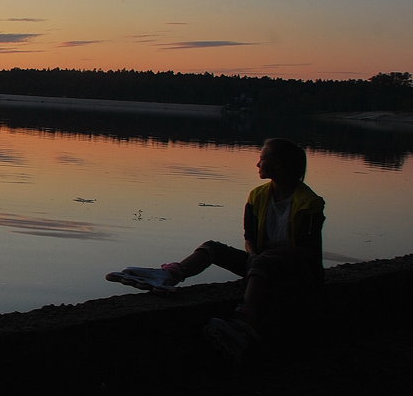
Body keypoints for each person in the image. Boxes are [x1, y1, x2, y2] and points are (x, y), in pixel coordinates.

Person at [106, 138, 326, 360]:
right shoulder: (258, 195)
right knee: (212, 248)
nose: (257, 164)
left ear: (278, 164)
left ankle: (244, 322)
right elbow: (249, 236)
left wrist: (263, 258)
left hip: (296, 272)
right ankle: (168, 275)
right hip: (261, 264)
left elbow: (307, 251)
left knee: (262, 262)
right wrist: (253, 256)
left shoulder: (309, 203)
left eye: (262, 158)